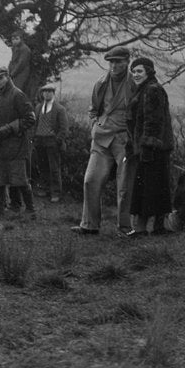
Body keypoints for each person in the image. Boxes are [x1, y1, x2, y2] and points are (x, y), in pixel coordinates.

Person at [71, 46, 134, 236]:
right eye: (111, 62)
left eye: (118, 62)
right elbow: (93, 109)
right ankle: (89, 225)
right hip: (101, 139)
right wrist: (94, 125)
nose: (114, 66)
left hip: (125, 140)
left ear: (127, 62)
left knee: (125, 186)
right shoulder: (100, 83)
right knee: (91, 180)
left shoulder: (135, 83)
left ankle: (125, 228)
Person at [124, 57, 174, 237]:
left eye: (139, 71)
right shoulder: (143, 89)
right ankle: (156, 228)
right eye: (134, 71)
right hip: (148, 148)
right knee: (154, 187)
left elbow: (153, 122)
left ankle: (143, 229)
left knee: (148, 188)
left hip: (152, 149)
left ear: (149, 72)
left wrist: (147, 146)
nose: (135, 75)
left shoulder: (152, 90)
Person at [0, 67, 36, 217]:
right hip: (2, 142)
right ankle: (0, 206)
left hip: (17, 143)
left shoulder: (18, 95)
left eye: (0, 79)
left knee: (19, 178)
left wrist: (9, 128)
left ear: (7, 77)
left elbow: (30, 119)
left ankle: (30, 210)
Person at [32, 83, 69, 203]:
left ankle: (56, 192)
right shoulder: (38, 107)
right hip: (39, 141)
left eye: (50, 91)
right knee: (42, 167)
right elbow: (34, 124)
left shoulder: (59, 109)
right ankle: (45, 189)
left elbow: (64, 128)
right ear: (42, 93)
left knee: (54, 168)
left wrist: (57, 140)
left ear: (53, 93)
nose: (47, 93)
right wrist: (34, 138)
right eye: (45, 91)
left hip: (52, 142)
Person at [7, 30, 33, 98]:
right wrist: (9, 71)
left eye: (16, 39)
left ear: (21, 39)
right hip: (14, 73)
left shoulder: (25, 49)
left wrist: (12, 73)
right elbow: (12, 61)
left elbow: (21, 64)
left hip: (21, 73)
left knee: (18, 91)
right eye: (13, 39)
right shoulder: (15, 48)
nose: (14, 41)